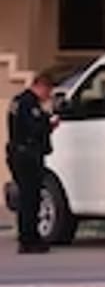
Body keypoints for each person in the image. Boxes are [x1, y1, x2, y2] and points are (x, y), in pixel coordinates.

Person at [7, 73, 56, 254]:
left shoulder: (18, 101)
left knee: (29, 198)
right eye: (48, 91)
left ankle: (29, 237)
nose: (48, 96)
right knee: (30, 199)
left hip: (19, 154)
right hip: (26, 156)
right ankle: (28, 240)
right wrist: (49, 124)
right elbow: (34, 129)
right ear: (41, 86)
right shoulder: (29, 103)